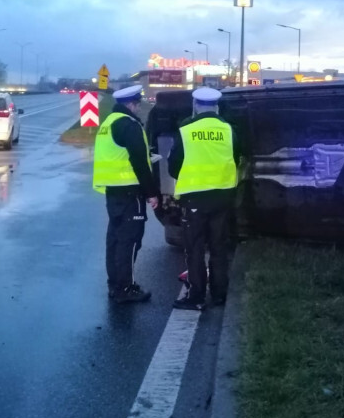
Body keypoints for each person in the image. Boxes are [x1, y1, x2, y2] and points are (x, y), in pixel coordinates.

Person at [168, 86, 240, 311]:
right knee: (219, 246)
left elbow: (173, 166)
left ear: (195, 105)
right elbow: (236, 159)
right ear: (216, 107)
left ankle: (196, 296)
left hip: (195, 198)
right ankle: (219, 295)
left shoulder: (186, 129)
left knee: (195, 248)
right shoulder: (228, 129)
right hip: (223, 196)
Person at [92, 84, 159, 303]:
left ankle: (115, 284)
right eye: (137, 104)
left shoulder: (108, 123)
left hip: (113, 191)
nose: (139, 108)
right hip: (131, 191)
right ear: (131, 104)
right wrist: (151, 193)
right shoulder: (129, 125)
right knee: (129, 241)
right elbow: (139, 162)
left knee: (114, 239)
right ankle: (126, 288)